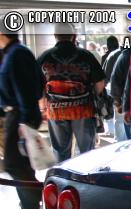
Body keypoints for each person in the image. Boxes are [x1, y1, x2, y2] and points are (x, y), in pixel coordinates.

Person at [38, 23, 105, 161]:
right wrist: (94, 97)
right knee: (87, 152)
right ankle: (85, 173)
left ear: (55, 36)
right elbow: (100, 83)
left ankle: (63, 173)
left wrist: (43, 107)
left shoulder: (45, 56)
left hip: (55, 111)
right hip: (83, 110)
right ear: (73, 36)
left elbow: (37, 86)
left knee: (60, 152)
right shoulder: (86, 55)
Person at [0, 27, 43, 209]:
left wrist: (24, 120)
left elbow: (24, 88)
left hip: (19, 115)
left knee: (15, 163)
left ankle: (33, 206)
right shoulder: (14, 52)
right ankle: (31, 208)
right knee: (20, 164)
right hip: (15, 114)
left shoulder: (17, 54)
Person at [109, 45, 131, 141]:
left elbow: (114, 80)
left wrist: (117, 101)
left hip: (128, 103)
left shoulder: (124, 56)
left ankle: (120, 141)